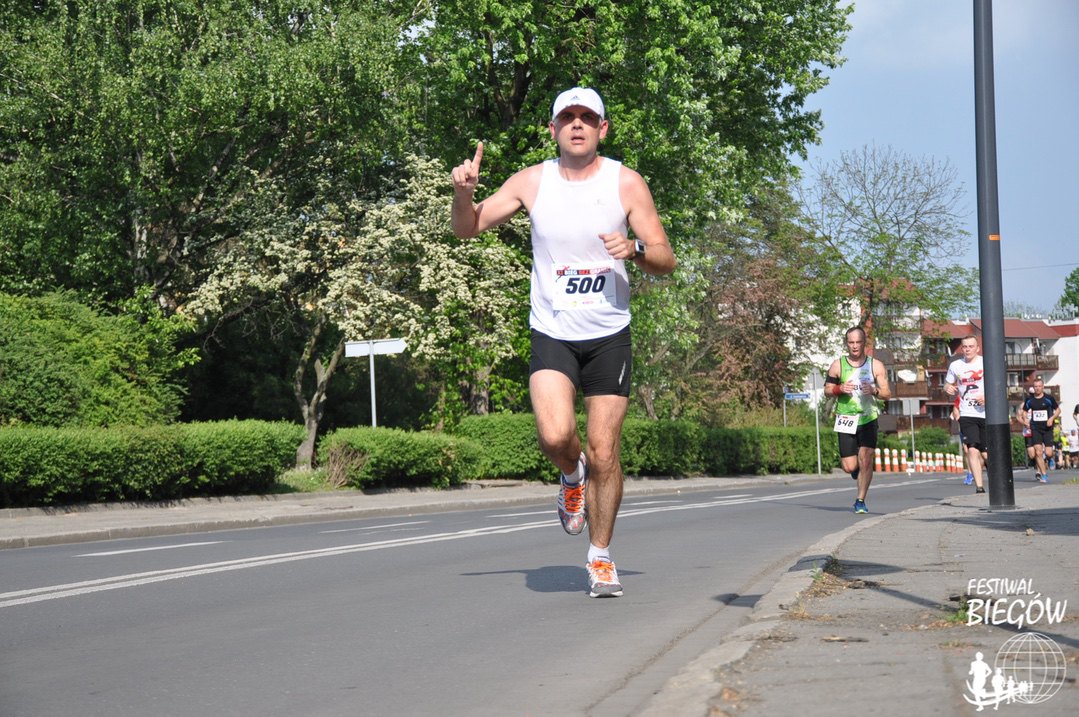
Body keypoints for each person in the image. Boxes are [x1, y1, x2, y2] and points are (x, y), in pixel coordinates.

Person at [450, 87, 676, 598]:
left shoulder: (626, 183)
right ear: (553, 129)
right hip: (552, 330)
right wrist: (463, 194)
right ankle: (571, 477)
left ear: (602, 128)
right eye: (567, 117)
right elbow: (468, 229)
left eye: (587, 117)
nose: (577, 124)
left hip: (608, 334)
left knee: (605, 450)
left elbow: (665, 258)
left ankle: (600, 557)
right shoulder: (532, 181)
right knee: (555, 438)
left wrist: (635, 248)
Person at [825, 326, 892, 513]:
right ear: (847, 344)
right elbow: (827, 391)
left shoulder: (875, 365)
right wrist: (839, 389)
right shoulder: (838, 365)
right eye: (851, 342)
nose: (854, 346)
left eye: (858, 342)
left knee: (866, 459)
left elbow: (887, 394)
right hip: (846, 417)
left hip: (868, 418)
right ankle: (855, 471)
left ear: (864, 343)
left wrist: (874, 390)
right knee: (850, 466)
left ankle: (860, 500)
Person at [944, 335, 987, 494]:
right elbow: (947, 383)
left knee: (986, 453)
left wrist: (987, 397)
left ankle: (997, 478)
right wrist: (947, 387)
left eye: (971, 346)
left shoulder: (985, 362)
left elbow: (998, 384)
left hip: (986, 413)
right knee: (972, 449)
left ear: (977, 348)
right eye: (965, 347)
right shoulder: (956, 365)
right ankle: (979, 487)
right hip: (967, 412)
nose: (967, 349)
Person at [1018, 378, 1060, 483]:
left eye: (1039, 386)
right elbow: (1024, 411)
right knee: (1038, 452)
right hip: (1035, 428)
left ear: (1043, 387)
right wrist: (1025, 420)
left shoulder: (1049, 398)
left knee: (1049, 453)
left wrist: (1052, 418)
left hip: (1047, 428)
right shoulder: (1030, 400)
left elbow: (1058, 410)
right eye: (1035, 386)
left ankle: (1050, 458)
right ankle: (1044, 474)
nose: (1037, 388)